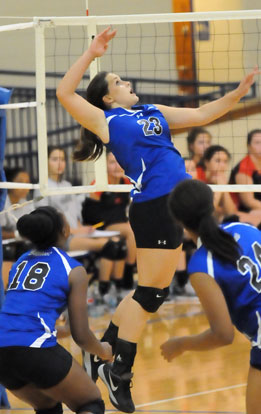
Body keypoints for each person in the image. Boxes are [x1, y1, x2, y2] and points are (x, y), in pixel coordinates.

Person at [56, 26, 259, 413]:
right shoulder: (107, 121)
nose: (127, 82)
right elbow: (65, 94)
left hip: (171, 203)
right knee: (151, 293)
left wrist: (236, 94)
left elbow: (202, 113)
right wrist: (91, 51)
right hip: (156, 203)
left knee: (147, 291)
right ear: (105, 97)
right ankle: (118, 370)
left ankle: (102, 356)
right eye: (118, 81)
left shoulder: (152, 113)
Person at [161, 179, 261, 414]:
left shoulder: (201, 265)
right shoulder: (245, 229)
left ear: (179, 221)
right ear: (213, 206)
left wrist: (181, 344)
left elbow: (223, 334)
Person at [0, 205, 112, 414]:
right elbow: (81, 336)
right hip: (34, 349)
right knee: (90, 403)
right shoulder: (73, 269)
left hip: (2, 352)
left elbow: (22, 320)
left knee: (47, 406)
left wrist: (60, 331)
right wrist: (103, 350)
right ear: (65, 230)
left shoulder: (21, 262)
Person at [34, 145, 127, 280]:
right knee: (112, 246)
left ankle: (117, 288)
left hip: (75, 234)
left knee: (119, 243)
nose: (60, 163)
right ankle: (104, 291)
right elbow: (46, 222)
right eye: (55, 159)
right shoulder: (42, 188)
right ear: (45, 162)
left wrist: (81, 227)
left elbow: (73, 215)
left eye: (62, 159)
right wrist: (72, 230)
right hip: (59, 239)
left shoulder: (67, 185)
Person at [82, 149, 136, 295]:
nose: (117, 166)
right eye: (112, 162)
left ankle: (115, 285)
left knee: (123, 238)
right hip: (101, 225)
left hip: (120, 227)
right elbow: (89, 214)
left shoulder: (126, 182)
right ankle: (128, 275)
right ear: (105, 165)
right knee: (132, 230)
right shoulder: (98, 183)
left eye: (119, 162)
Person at [230, 129, 261, 213]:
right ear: (248, 146)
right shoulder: (244, 167)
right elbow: (249, 202)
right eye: (257, 143)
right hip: (242, 212)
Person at [0, 167, 33, 240]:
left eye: (27, 182)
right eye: (20, 182)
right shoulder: (2, 203)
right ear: (10, 184)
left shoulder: (26, 203)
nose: (24, 186)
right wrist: (17, 235)